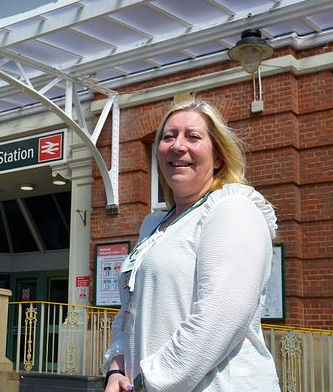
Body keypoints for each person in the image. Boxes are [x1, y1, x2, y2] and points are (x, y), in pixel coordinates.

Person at [103, 97, 280, 391]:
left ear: (219, 156)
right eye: (168, 136)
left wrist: (148, 381)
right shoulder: (153, 226)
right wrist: (117, 368)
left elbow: (219, 317)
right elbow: (130, 312)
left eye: (193, 137)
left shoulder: (232, 208)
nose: (177, 146)